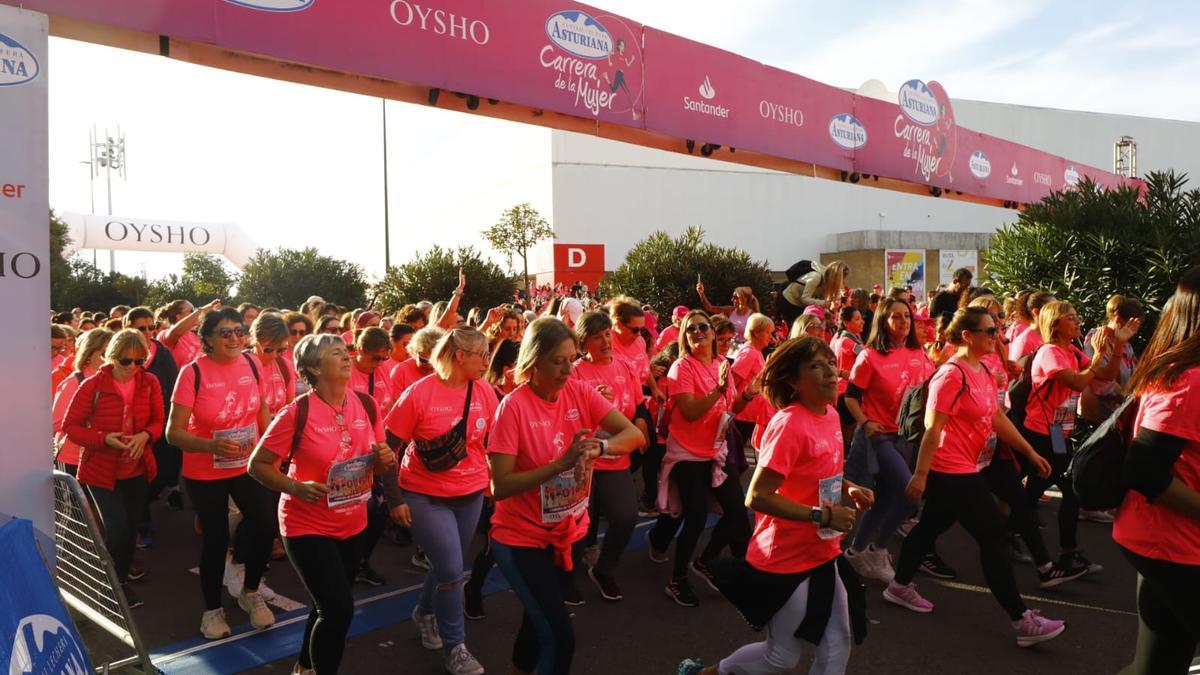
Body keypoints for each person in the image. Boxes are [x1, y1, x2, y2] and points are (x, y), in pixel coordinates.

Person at [677, 336, 874, 675]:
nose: (830, 371)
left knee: (837, 645)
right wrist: (824, 514)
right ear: (794, 382)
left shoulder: (828, 414)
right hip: (786, 558)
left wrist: (848, 487)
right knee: (781, 657)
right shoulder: (790, 424)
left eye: (829, 361)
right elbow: (757, 496)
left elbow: (820, 470)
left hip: (824, 551)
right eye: (816, 365)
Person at [882, 307, 1069, 646]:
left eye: (997, 330)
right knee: (994, 536)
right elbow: (931, 428)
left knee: (931, 527)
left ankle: (898, 586)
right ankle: (1021, 621)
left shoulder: (981, 369)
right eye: (989, 331)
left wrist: (1028, 451)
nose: (996, 336)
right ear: (967, 336)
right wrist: (921, 474)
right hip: (950, 469)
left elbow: (997, 417)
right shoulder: (951, 375)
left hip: (969, 466)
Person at [487, 318, 643, 675]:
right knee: (560, 637)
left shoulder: (578, 390)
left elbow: (633, 435)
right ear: (534, 361)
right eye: (558, 360)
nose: (568, 369)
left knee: (536, 621)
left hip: (569, 533)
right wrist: (561, 464)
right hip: (521, 539)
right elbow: (501, 486)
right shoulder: (513, 407)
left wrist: (600, 447)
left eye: (572, 358)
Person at [249, 333, 394, 674]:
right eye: (335, 353)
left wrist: (384, 459)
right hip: (306, 524)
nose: (346, 357)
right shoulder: (296, 413)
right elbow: (256, 465)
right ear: (312, 368)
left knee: (325, 604)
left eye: (346, 351)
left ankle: (303, 666)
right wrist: (295, 487)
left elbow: (379, 460)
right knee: (339, 610)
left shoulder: (367, 404)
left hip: (353, 521)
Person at [382, 328, 498, 675]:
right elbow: (388, 448)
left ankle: (424, 612)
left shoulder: (484, 390)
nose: (487, 361)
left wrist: (494, 481)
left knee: (446, 565)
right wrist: (394, 499)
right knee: (451, 570)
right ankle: (456, 648)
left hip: (471, 493)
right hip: (424, 494)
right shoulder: (419, 394)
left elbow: (491, 441)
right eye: (482, 354)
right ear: (459, 355)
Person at [166, 307, 277, 639]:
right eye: (225, 332)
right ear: (208, 339)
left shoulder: (253, 363)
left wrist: (272, 447)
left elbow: (262, 412)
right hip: (206, 469)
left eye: (240, 330)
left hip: (247, 464)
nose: (235, 337)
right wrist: (210, 447)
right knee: (215, 539)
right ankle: (211, 611)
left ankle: (250, 592)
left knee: (266, 526)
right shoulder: (192, 373)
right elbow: (173, 433)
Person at [1115, 266, 1200, 675]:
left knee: (1158, 666)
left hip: (1163, 542)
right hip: (1174, 545)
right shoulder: (1190, 380)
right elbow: (1144, 469)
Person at [647, 309, 754, 607]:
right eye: (690, 329)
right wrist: (718, 389)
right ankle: (676, 579)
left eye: (702, 327)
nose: (697, 332)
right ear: (684, 335)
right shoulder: (681, 368)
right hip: (687, 453)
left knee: (737, 512)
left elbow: (730, 408)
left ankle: (705, 560)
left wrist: (747, 396)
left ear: (711, 332)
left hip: (715, 450)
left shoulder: (722, 363)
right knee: (694, 517)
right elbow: (691, 413)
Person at [1021, 300, 1135, 577]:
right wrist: (1096, 359)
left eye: (1076, 316)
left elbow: (1104, 377)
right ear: (1055, 323)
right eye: (1070, 318)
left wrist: (1117, 346)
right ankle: (1067, 553)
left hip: (1058, 432)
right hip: (1040, 431)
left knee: (1037, 487)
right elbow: (1077, 382)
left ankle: (1010, 532)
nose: (1077, 321)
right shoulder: (1050, 352)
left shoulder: (1070, 350)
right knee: (1068, 488)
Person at [64, 329, 164, 609]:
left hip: (137, 469)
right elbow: (70, 426)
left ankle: (119, 584)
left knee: (130, 529)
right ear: (111, 357)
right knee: (117, 529)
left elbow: (159, 420)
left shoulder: (149, 382)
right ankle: (107, 583)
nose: (132, 367)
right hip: (101, 470)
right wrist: (103, 439)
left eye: (139, 361)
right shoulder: (92, 385)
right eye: (125, 361)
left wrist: (145, 435)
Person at [842, 297, 934, 582]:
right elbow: (850, 397)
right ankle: (878, 547)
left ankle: (856, 552)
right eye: (896, 317)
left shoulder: (919, 353)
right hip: (880, 437)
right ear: (883, 320)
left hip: (907, 437)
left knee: (884, 499)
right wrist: (866, 422)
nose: (903, 321)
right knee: (910, 495)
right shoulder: (869, 356)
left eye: (906, 316)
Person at [570, 311, 647, 602]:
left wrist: (640, 421)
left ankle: (604, 569)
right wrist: (591, 404)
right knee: (578, 524)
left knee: (626, 516)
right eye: (597, 337)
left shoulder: (626, 366)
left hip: (617, 458)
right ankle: (567, 576)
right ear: (583, 342)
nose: (605, 341)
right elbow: (564, 417)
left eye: (607, 335)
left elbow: (638, 405)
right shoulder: (575, 371)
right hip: (583, 462)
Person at [463, 338, 522, 620]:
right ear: (510, 368)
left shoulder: (529, 395)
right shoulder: (491, 394)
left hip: (526, 479)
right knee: (494, 545)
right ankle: (473, 589)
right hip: (494, 483)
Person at [124, 307, 183, 510]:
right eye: (142, 328)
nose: (148, 332)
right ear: (128, 328)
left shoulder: (163, 353)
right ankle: (141, 517)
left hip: (160, 418)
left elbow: (174, 385)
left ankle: (155, 498)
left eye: (152, 327)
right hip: (130, 423)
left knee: (162, 467)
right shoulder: (122, 354)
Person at [53, 328, 114, 473]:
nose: (110, 360)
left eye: (114, 354)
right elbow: (55, 423)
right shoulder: (74, 381)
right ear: (89, 352)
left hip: (104, 458)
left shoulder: (116, 381)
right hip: (73, 459)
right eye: (104, 354)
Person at [831, 306, 866, 445]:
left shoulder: (840, 338)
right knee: (847, 436)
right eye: (857, 319)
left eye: (861, 318)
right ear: (846, 323)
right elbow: (865, 356)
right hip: (847, 393)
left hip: (844, 391)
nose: (862, 322)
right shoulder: (847, 341)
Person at [781, 260, 849, 326]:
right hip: (789, 301)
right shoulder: (816, 277)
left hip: (798, 304)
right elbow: (804, 299)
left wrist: (827, 312)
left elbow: (819, 299)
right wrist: (825, 304)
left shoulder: (827, 281)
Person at [159, 298, 220, 368]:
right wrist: (202, 310)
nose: (196, 312)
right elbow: (176, 333)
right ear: (178, 316)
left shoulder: (195, 334)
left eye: (195, 310)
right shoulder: (164, 334)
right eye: (192, 310)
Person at [389, 326, 445, 399]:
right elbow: (395, 404)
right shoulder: (401, 371)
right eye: (424, 360)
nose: (429, 365)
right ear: (415, 352)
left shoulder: (446, 371)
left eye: (434, 362)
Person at [696, 283, 760, 343]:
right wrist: (701, 293)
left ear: (744, 299)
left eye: (735, 297)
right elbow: (710, 308)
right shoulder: (730, 310)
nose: (732, 300)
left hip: (744, 349)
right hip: (729, 346)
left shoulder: (753, 315)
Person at [1009, 291, 1056, 361]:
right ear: (1036, 312)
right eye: (1053, 310)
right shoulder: (1025, 342)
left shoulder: (1052, 335)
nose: (1058, 314)